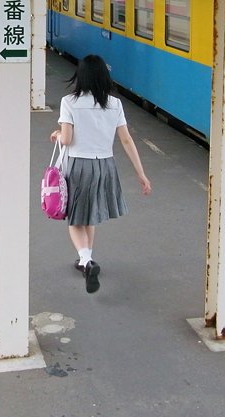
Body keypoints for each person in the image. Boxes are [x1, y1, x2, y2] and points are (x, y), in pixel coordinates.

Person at [50, 55, 151, 294]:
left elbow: (67, 139)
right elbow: (126, 140)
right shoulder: (114, 104)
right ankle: (86, 259)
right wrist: (141, 174)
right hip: (105, 165)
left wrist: (56, 134)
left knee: (75, 219)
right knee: (91, 214)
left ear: (81, 76)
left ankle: (86, 261)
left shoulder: (69, 102)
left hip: (78, 164)